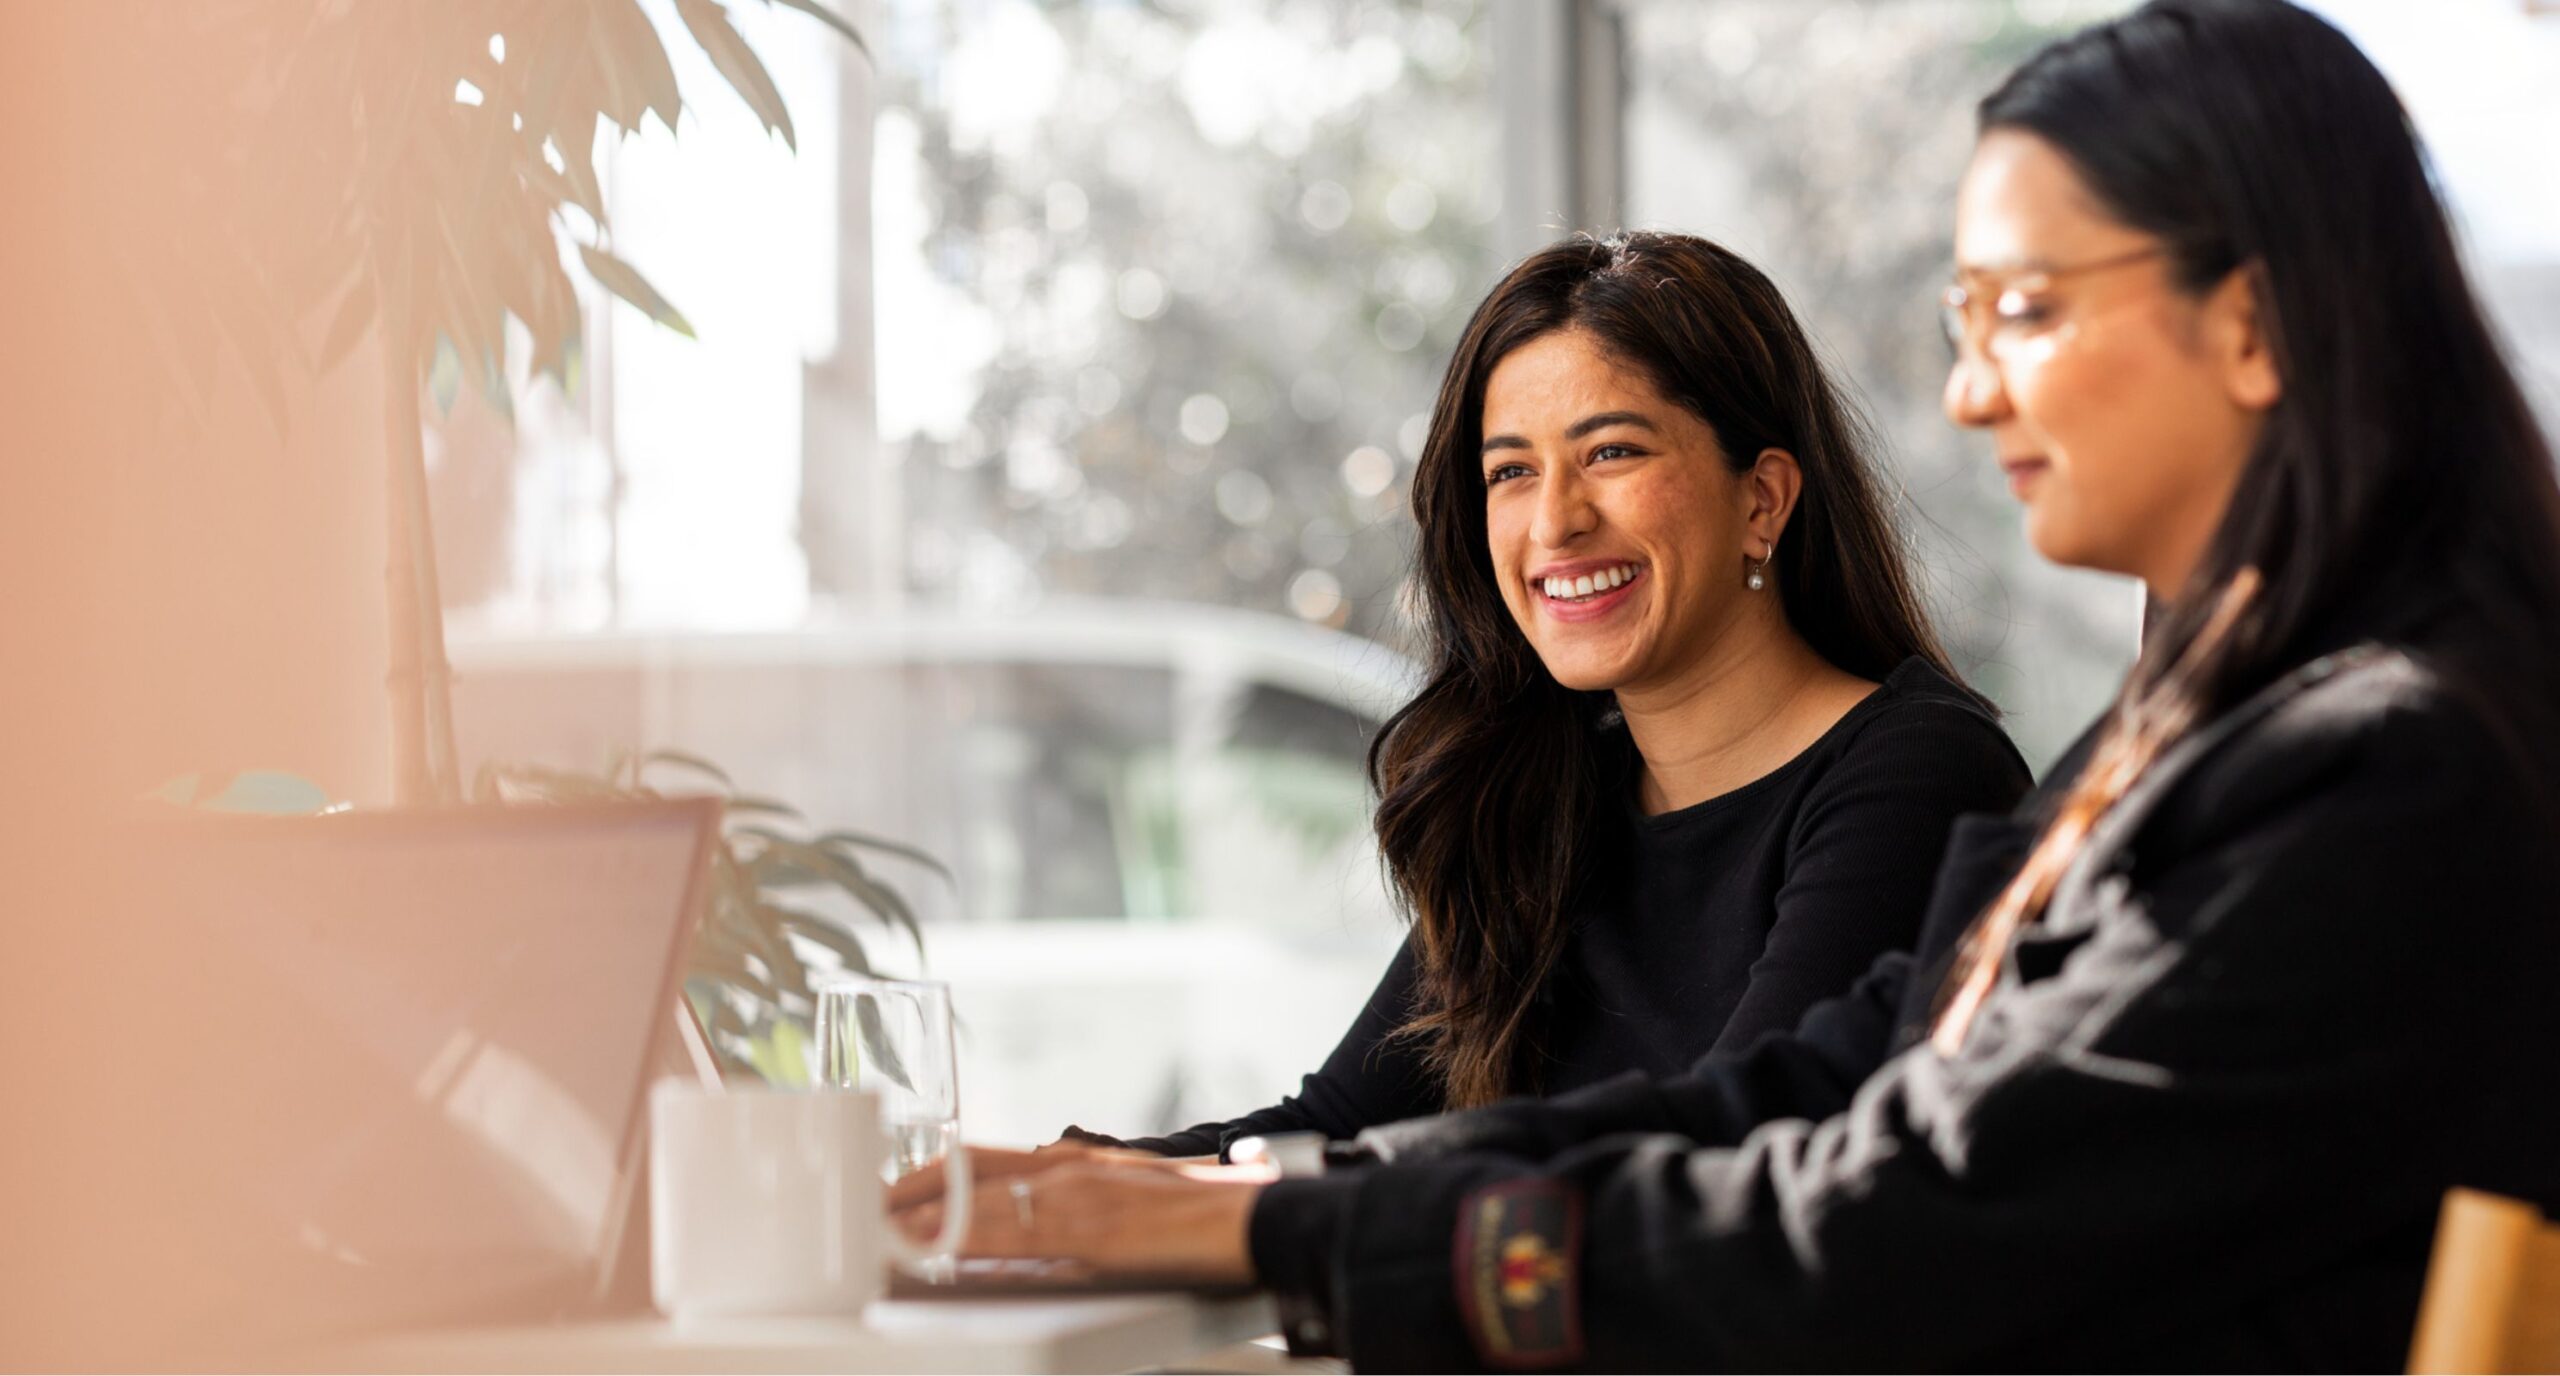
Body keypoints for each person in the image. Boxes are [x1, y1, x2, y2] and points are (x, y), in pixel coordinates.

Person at [897, 2, 2560, 1369]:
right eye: (1959, 317)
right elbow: (1822, 1094)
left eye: (2027, 311)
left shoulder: (2387, 776)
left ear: (2256, 323)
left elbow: (1871, 1228)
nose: (1972, 392)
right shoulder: (2211, 747)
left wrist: (1285, 1224)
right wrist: (1247, 1190)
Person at [1037, 231, 2027, 1166]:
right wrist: (1057, 1184)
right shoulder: (1549, 797)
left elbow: (1730, 1153)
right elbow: (1336, 1123)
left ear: (1761, 500)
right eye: (1510, 471)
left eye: (1611, 453)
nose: (1554, 520)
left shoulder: (1921, 772)